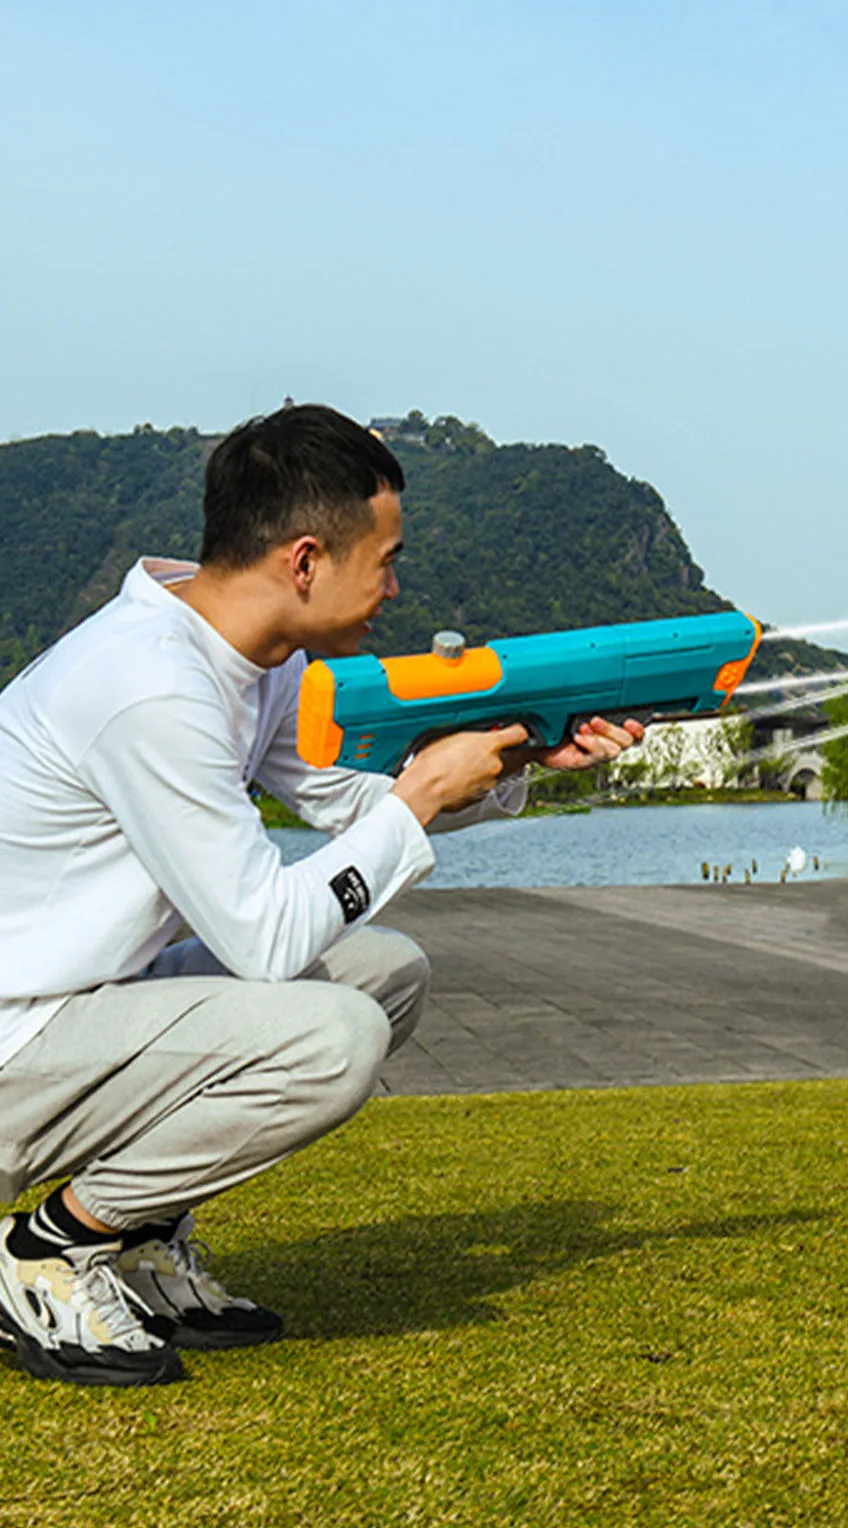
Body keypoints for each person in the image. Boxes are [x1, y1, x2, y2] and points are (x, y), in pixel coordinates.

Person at [0, 404, 643, 1386]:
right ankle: (46, 1252)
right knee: (330, 1034)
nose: (394, 584)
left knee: (382, 971)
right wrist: (421, 796)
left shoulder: (245, 658)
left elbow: (359, 805)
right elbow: (263, 935)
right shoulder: (148, 685)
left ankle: (134, 1234)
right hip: (18, 1047)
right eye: (383, 559)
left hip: (71, 1011)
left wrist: (523, 758)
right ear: (304, 560)